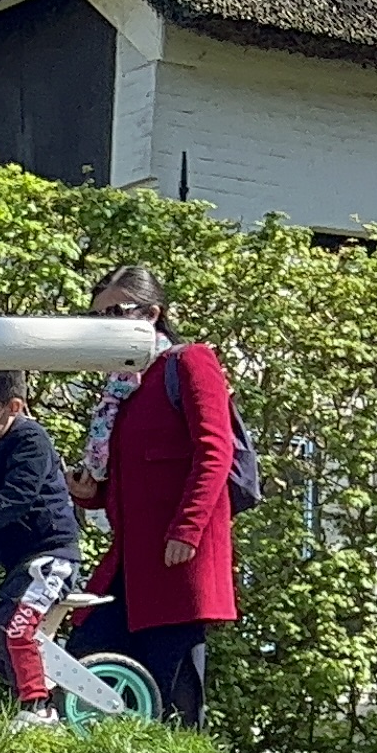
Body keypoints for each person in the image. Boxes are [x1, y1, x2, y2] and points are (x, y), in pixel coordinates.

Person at [63, 265, 241, 727]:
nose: (107, 325)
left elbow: (214, 450)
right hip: (132, 557)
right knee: (86, 654)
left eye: (117, 312)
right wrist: (91, 493)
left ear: (153, 314)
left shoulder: (189, 362)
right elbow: (134, 475)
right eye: (98, 316)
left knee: (173, 682)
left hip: (178, 556)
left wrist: (188, 528)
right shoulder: (123, 385)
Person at [0, 370, 84, 723]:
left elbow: (16, 499)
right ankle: (27, 697)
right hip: (20, 559)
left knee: (17, 627)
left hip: (51, 556)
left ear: (13, 407)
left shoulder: (30, 441)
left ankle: (39, 708)